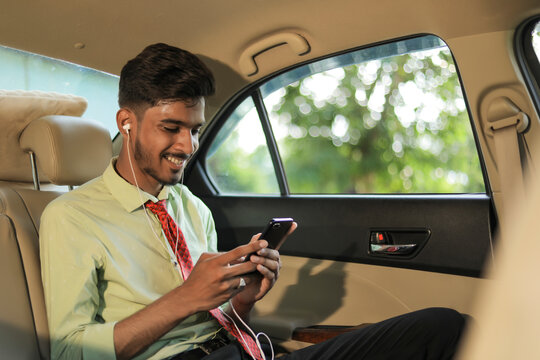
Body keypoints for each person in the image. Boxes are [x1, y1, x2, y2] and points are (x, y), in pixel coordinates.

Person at [40, 43, 465, 360]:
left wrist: (242, 299)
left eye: (195, 129)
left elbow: (214, 318)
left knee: (442, 327)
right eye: (171, 128)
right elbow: (68, 350)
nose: (188, 145)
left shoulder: (191, 206)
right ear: (126, 123)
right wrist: (187, 297)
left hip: (237, 352)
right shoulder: (71, 218)